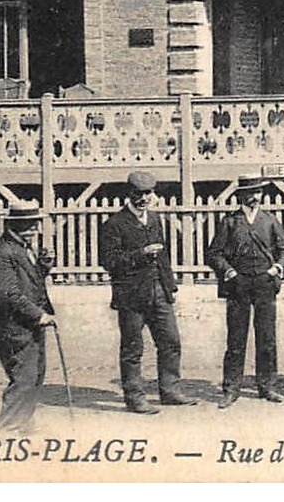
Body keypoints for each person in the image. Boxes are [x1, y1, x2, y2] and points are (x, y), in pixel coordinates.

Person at [99, 170, 193, 414]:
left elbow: (163, 256)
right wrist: (140, 255)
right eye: (138, 194)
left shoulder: (154, 219)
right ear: (128, 194)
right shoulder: (114, 224)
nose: (143, 199)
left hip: (159, 292)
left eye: (148, 194)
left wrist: (169, 284)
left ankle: (170, 390)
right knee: (133, 349)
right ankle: (135, 397)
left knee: (171, 342)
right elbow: (108, 261)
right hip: (131, 297)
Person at [206, 175, 284, 407]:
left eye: (259, 192)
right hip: (238, 285)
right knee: (236, 338)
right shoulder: (230, 222)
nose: (256, 197)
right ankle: (231, 389)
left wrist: (277, 267)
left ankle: (267, 386)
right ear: (241, 195)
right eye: (251, 192)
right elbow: (213, 253)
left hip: (265, 283)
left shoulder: (270, 220)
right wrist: (229, 271)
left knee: (267, 338)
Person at [0, 202, 54, 434]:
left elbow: (28, 282)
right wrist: (38, 315)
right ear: (15, 224)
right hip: (11, 327)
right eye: (31, 224)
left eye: (37, 223)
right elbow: (7, 294)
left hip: (27, 325)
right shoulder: (2, 252)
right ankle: (5, 431)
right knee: (24, 379)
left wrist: (42, 267)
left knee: (35, 375)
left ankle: (24, 426)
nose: (35, 229)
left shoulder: (21, 246)